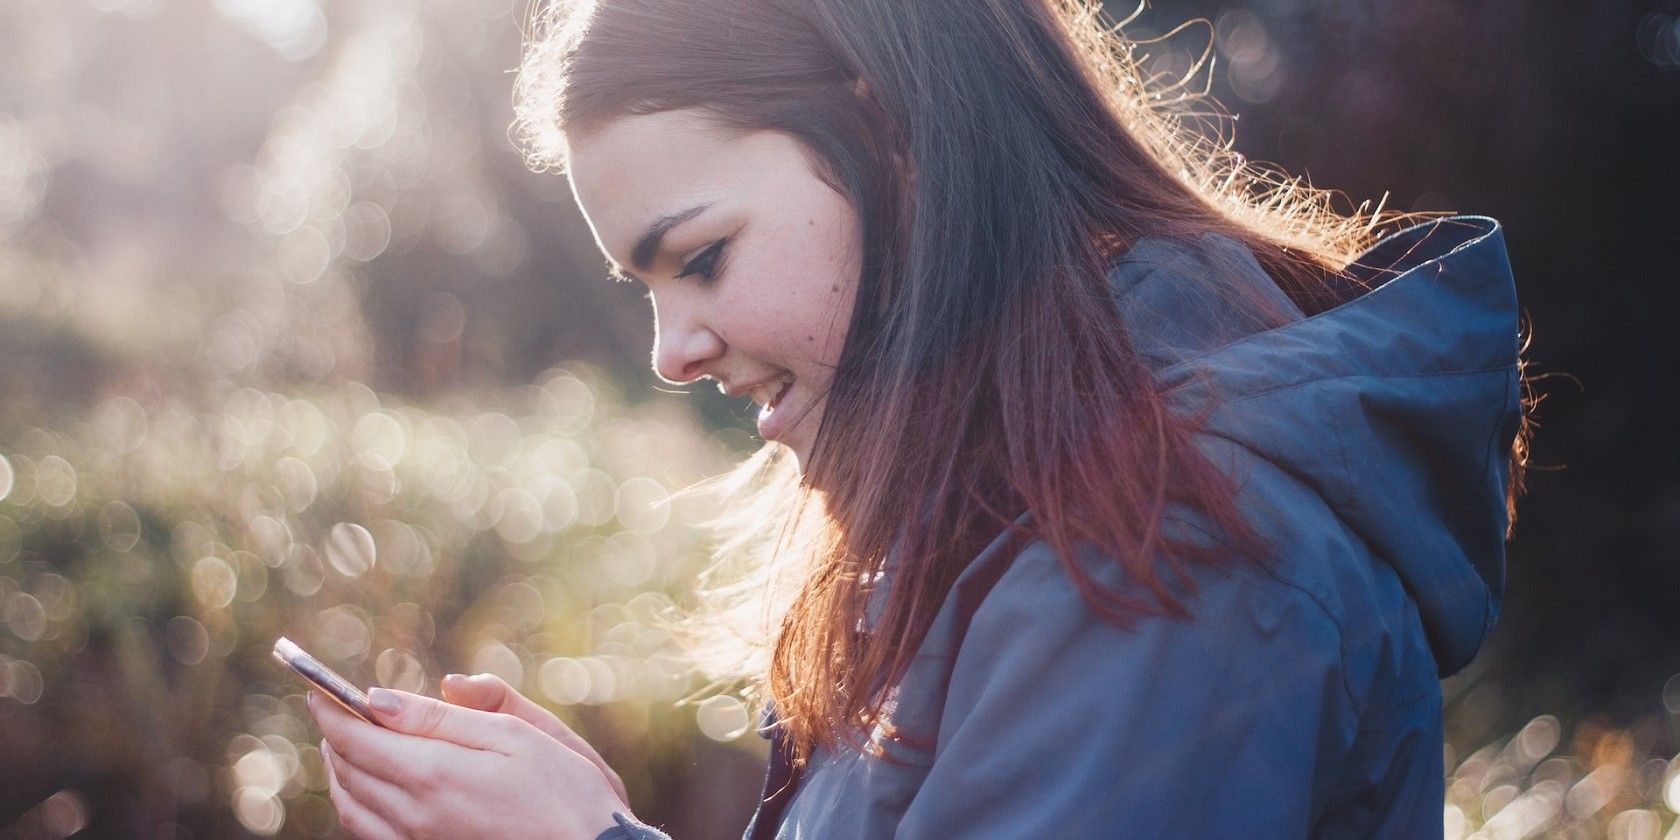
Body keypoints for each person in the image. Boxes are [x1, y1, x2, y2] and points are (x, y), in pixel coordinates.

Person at [306, 0, 1533, 837]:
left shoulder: (1175, 543)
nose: (671, 352)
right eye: (648, 289)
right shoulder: (1011, 501)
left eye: (703, 258)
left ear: (891, 135)